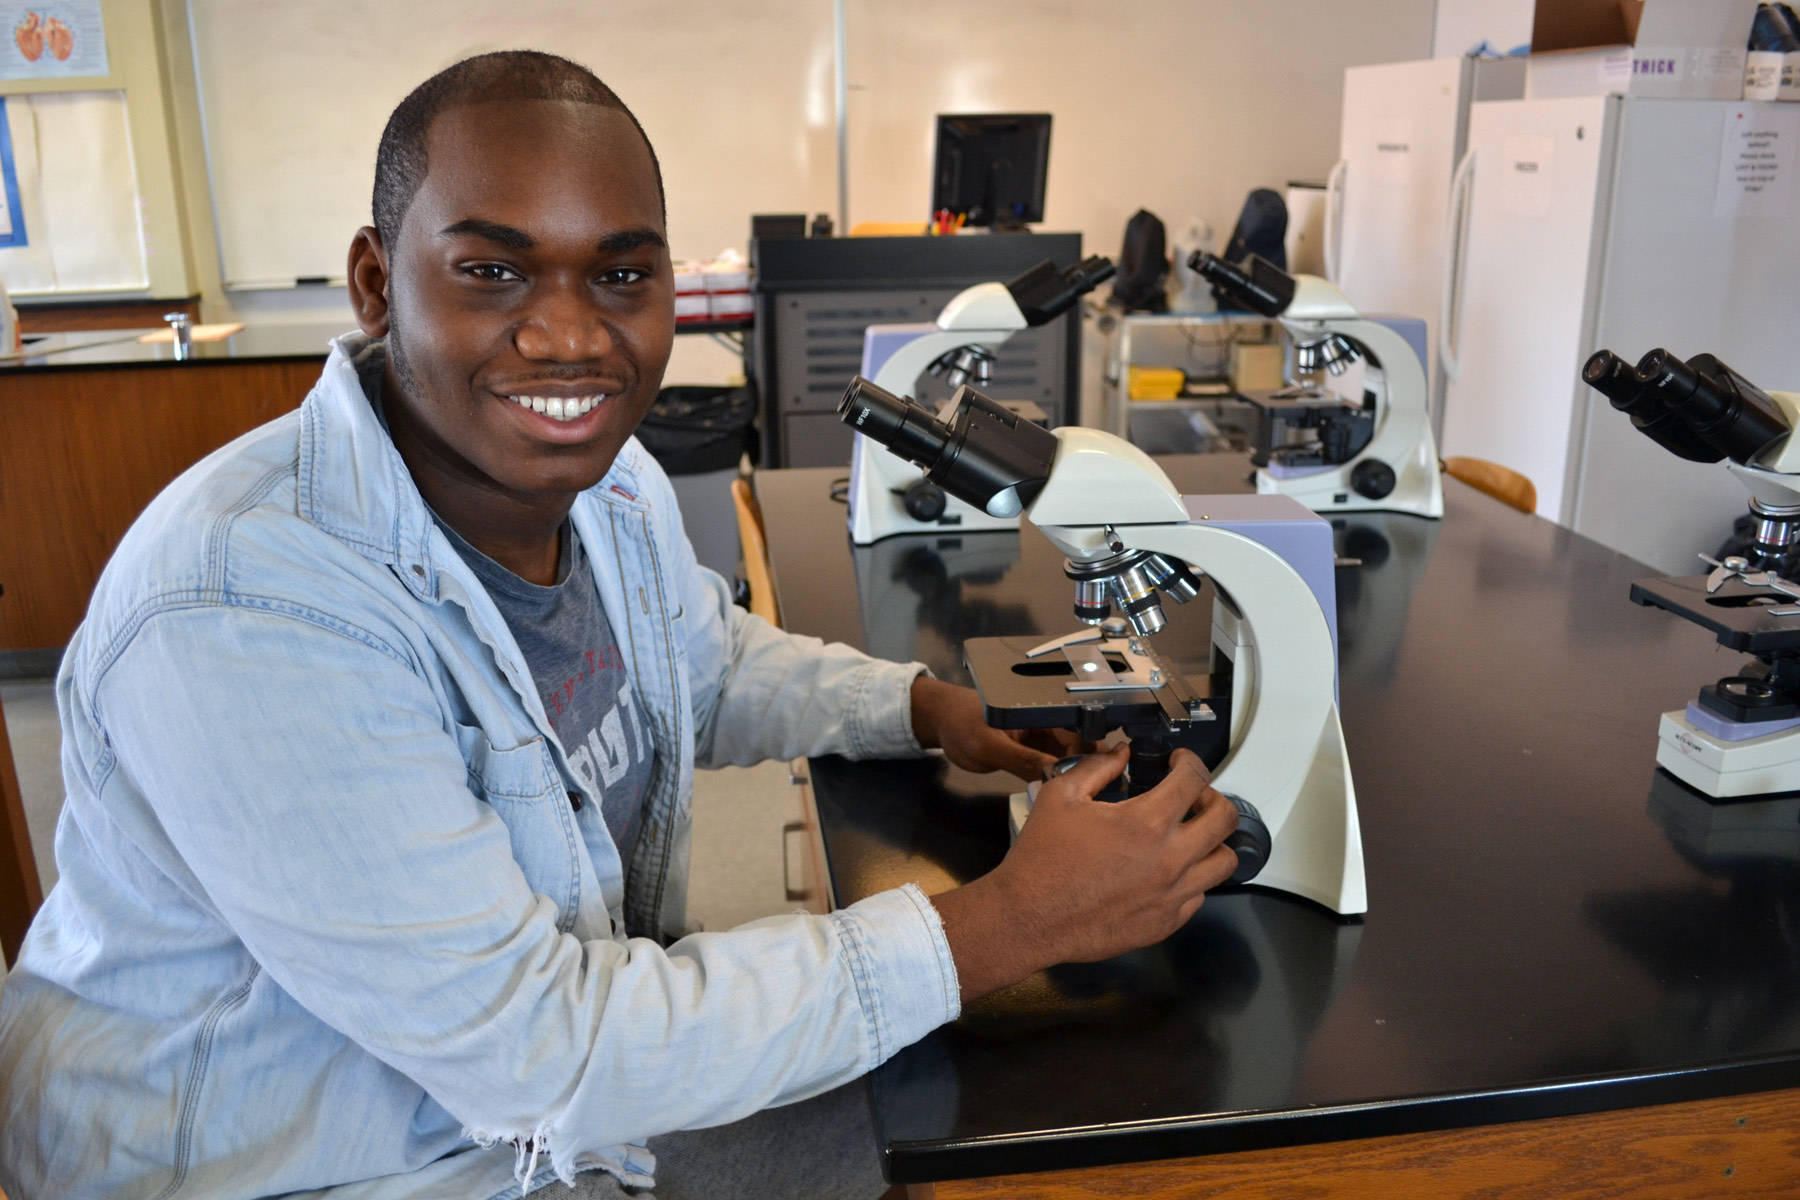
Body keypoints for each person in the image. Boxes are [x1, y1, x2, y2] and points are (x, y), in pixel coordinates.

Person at [0, 51, 1239, 1200]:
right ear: (378, 283)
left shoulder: (606, 481)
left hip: (532, 1101)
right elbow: (539, 1052)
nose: (571, 336)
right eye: (492, 271)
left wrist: (928, 710)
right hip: (293, 1163)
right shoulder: (247, 612)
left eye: (621, 275)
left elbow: (696, 664)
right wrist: (1010, 925)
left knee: (924, 1118)